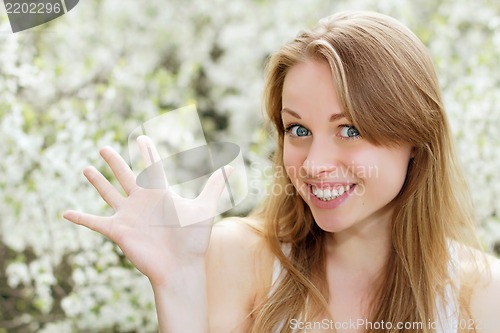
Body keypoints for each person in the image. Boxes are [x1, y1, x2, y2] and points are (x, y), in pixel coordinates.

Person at [64, 10, 500, 333]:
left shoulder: (482, 294)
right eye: (298, 129)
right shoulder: (237, 257)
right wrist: (177, 283)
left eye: (349, 128)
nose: (313, 164)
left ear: (415, 138)